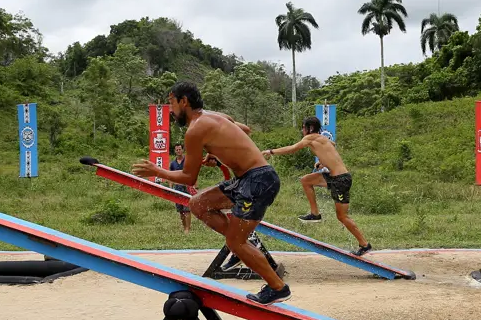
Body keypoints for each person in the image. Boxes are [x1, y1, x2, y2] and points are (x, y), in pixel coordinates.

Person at [132, 81, 291, 305]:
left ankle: (277, 287)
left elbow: (189, 178)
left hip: (258, 180)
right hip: (248, 179)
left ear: (183, 101)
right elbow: (244, 130)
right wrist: (218, 151)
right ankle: (242, 246)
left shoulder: (195, 130)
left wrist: (157, 170)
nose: (170, 109)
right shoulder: (216, 116)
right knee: (198, 203)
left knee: (236, 242)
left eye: (171, 102)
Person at [262, 116, 372, 257]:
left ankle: (364, 244)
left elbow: (292, 149)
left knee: (342, 217)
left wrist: (271, 152)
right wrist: (323, 162)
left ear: (310, 128)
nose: (302, 130)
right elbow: (331, 145)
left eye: (303, 127)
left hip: (340, 180)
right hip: (334, 177)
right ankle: (315, 214)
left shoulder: (310, 138)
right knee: (306, 180)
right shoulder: (322, 138)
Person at [168, 143, 192, 234]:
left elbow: (192, 172)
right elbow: (169, 176)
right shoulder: (173, 164)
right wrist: (171, 188)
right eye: (177, 150)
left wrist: (194, 186)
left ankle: (188, 229)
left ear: (183, 150)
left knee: (187, 208)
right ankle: (184, 226)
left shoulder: (187, 160)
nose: (178, 151)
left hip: (187, 186)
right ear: (175, 151)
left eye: (180, 149)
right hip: (177, 187)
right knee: (180, 209)